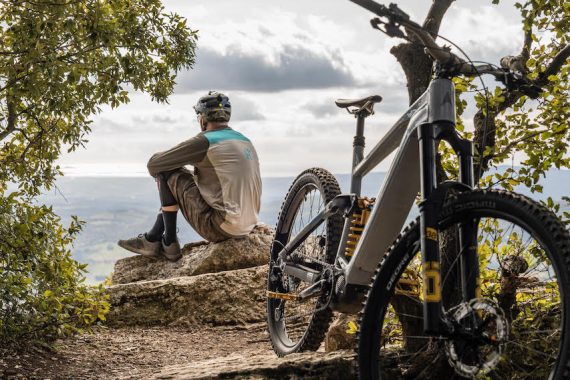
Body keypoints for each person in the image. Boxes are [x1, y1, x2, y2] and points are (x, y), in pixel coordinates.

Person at [118, 91, 262, 261]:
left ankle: (164, 240)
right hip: (248, 224)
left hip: (220, 227)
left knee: (167, 171)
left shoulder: (205, 141)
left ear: (202, 118)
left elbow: (154, 164)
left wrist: (178, 160)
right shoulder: (244, 140)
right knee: (180, 172)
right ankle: (159, 238)